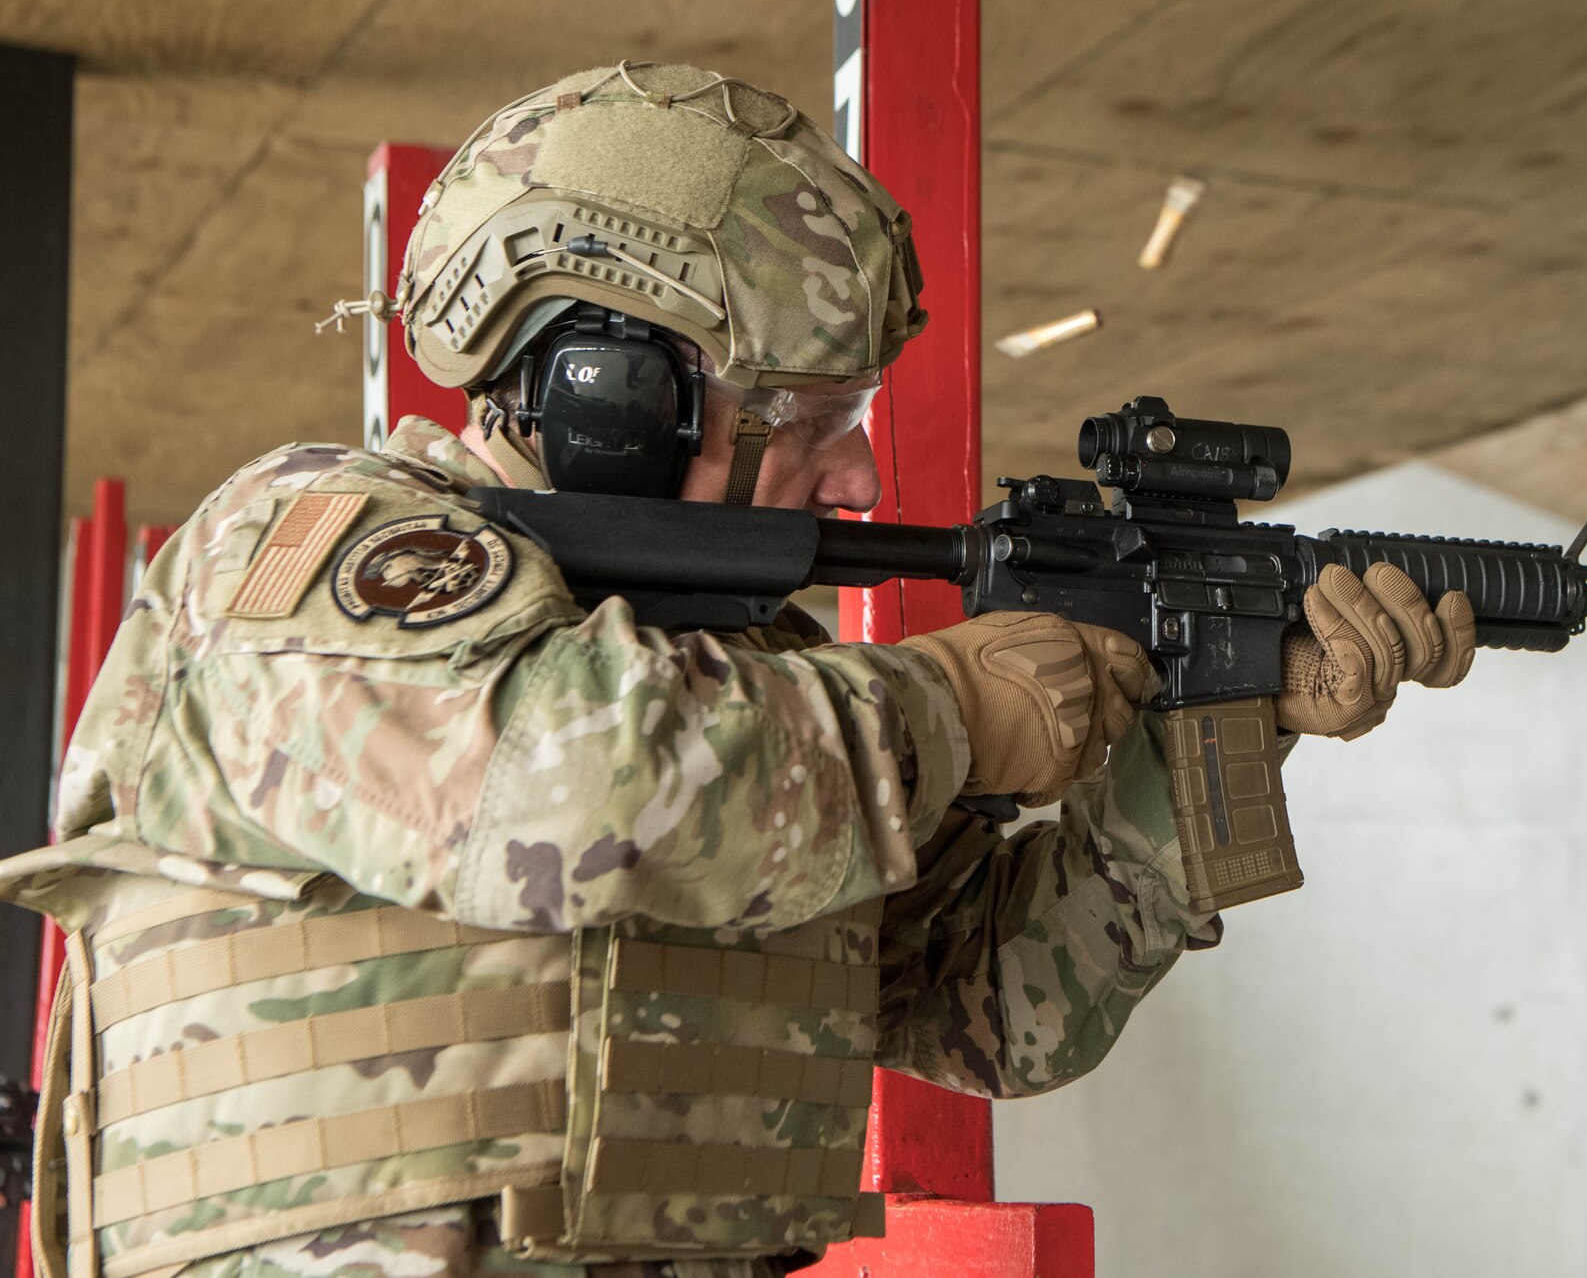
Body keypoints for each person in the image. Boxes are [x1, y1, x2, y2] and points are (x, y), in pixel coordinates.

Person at [0, 63, 1475, 1278]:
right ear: (610, 399)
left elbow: (996, 1007)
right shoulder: (320, 548)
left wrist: (1220, 724)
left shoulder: (754, 685)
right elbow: (580, 794)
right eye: (806, 413)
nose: (854, 470)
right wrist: (954, 708)